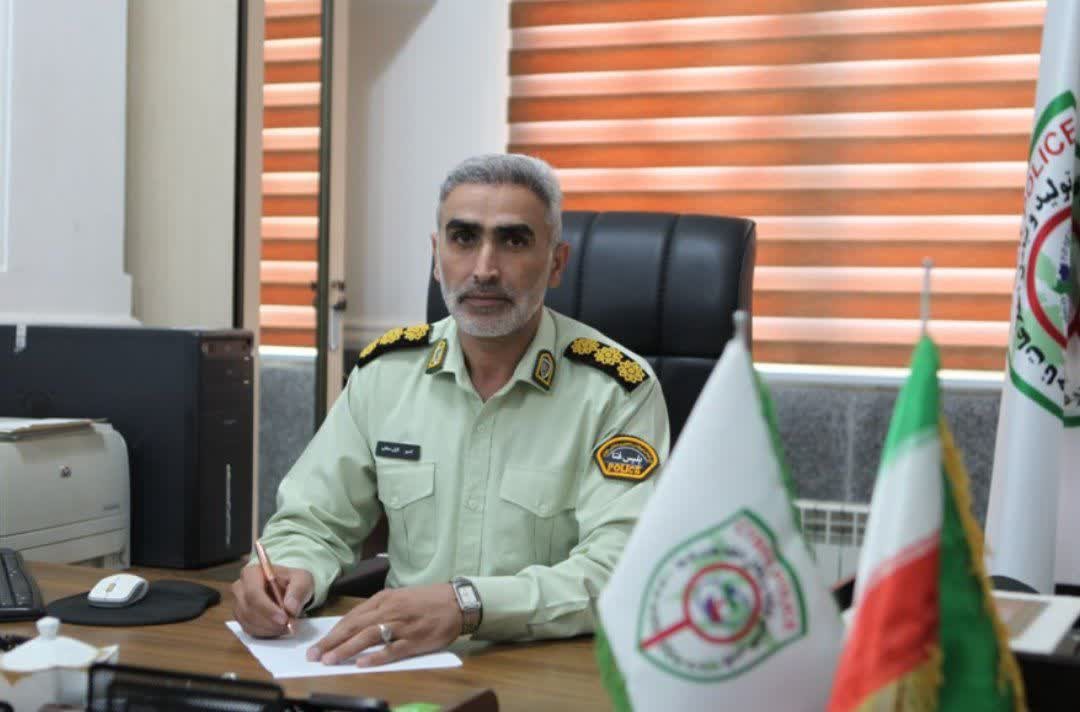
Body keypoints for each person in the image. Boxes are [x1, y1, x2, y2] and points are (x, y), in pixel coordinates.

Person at [232, 153, 670, 667]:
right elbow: (314, 522)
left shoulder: (617, 390)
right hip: (399, 665)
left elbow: (622, 567)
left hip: (549, 669)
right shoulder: (386, 374)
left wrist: (470, 606)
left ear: (556, 263)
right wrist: (287, 574)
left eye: (514, 241)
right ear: (436, 256)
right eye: (463, 238)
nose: (484, 269)